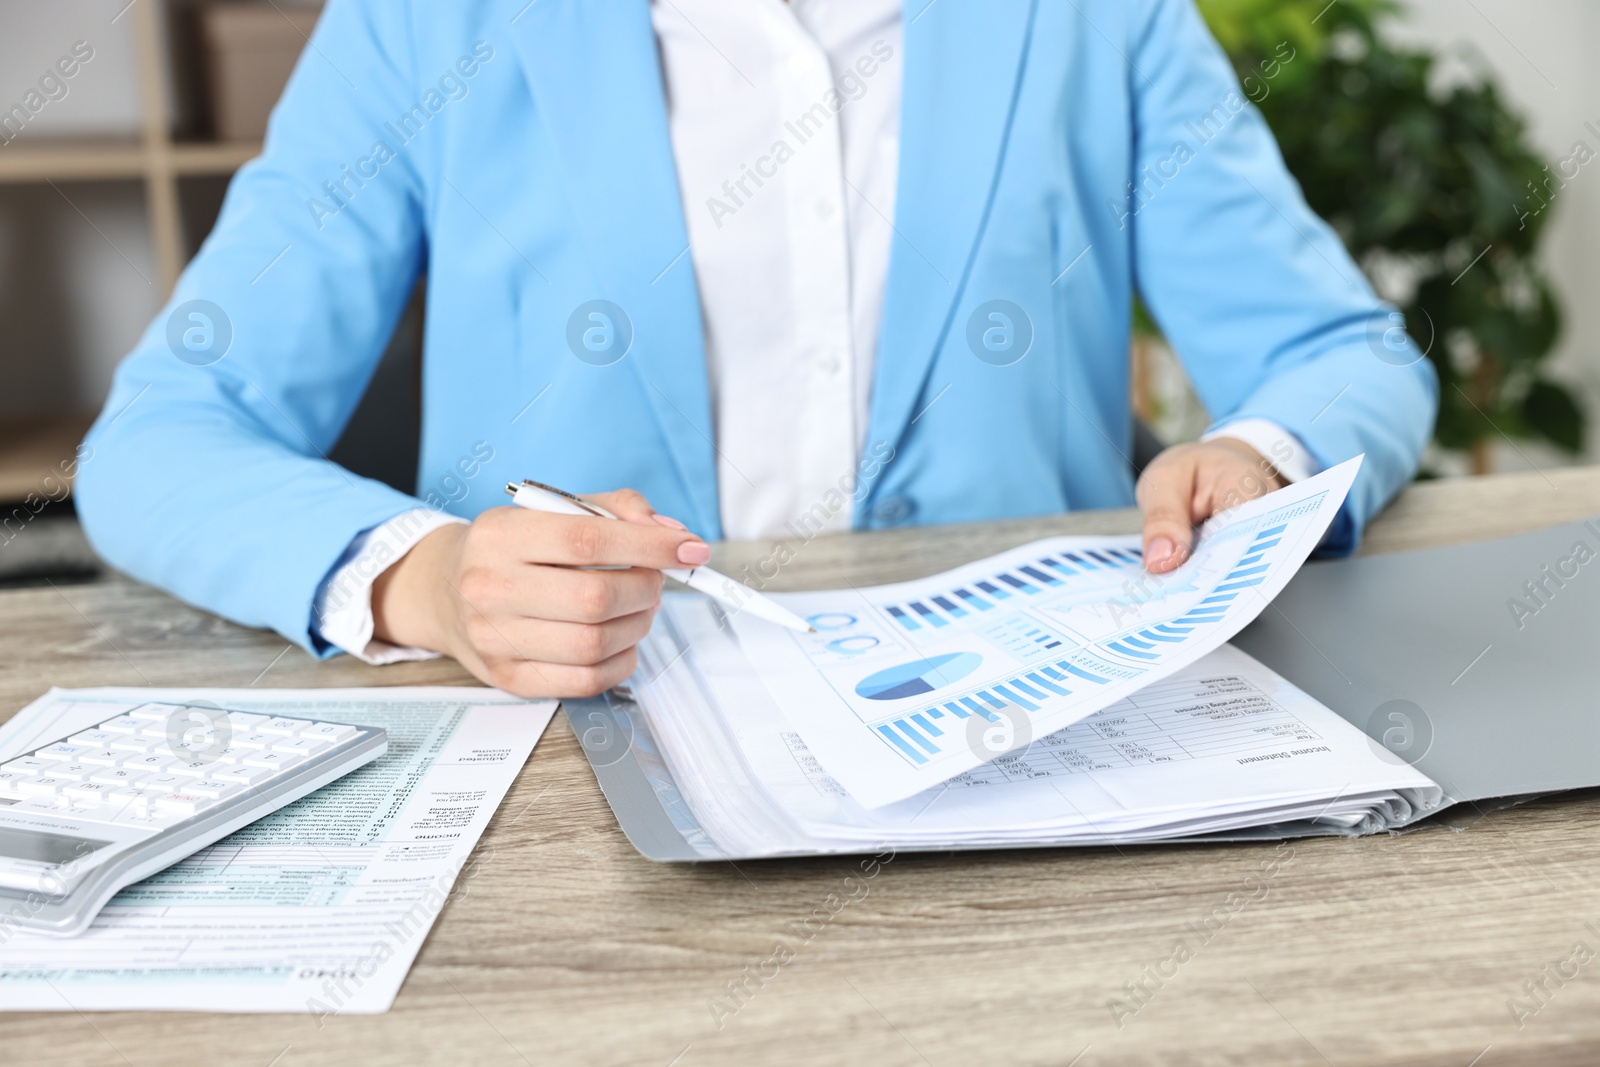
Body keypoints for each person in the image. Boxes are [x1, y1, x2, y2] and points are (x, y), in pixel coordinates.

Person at [75, 0, 1436, 698]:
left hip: (1034, 746)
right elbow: (162, 437)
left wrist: (1264, 452)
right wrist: (421, 583)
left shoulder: (1097, 18)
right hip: (574, 766)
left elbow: (1341, 350)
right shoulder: (434, 23)